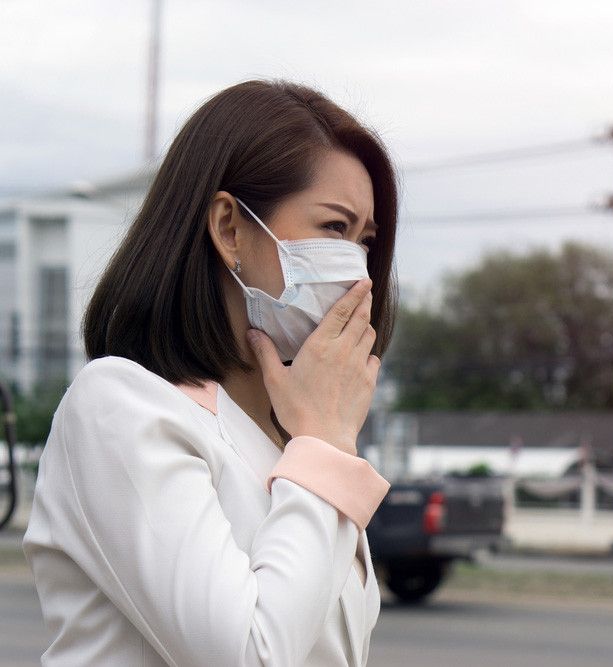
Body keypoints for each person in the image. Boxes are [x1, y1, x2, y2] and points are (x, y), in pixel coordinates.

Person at [21, 78, 399, 667]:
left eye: (365, 241)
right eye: (333, 228)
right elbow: (249, 655)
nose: (360, 273)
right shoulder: (121, 406)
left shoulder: (291, 439)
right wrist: (325, 442)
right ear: (229, 228)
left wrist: (315, 439)